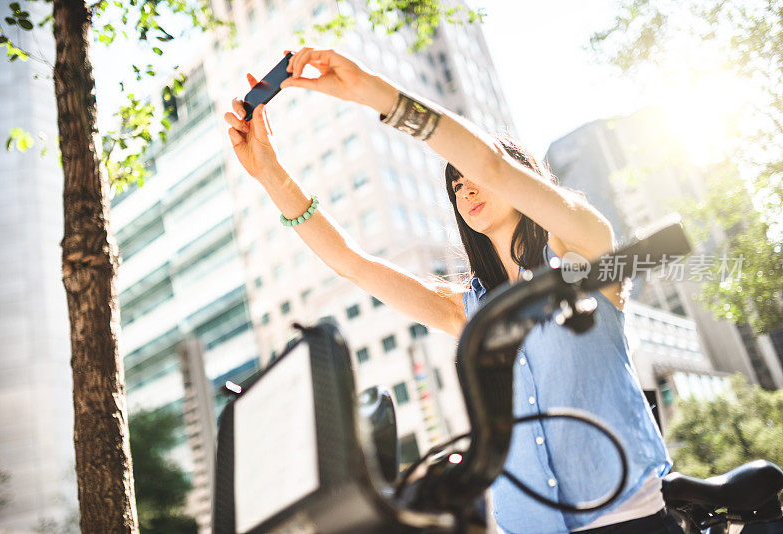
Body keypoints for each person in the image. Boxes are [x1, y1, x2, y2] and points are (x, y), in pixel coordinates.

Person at [223, 47, 680, 534]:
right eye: (456, 186)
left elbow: (493, 165)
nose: (468, 189)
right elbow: (352, 264)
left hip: (626, 516)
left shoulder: (583, 252)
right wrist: (269, 172)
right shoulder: (469, 310)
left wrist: (374, 94)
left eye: (474, 177)